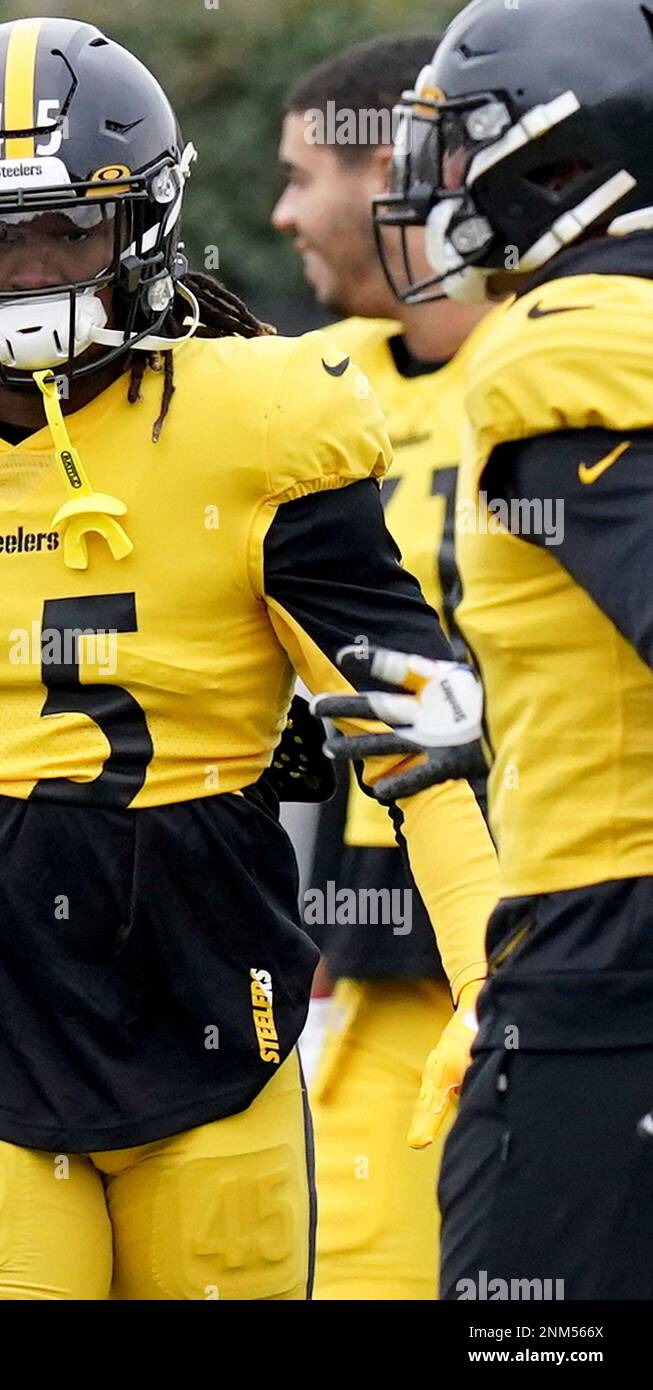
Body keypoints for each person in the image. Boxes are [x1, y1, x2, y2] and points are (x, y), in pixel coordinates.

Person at [0, 16, 495, 1301]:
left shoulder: (257, 416)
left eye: (69, 231)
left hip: (205, 1000)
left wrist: (482, 968)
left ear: (140, 226)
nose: (30, 270)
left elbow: (413, 724)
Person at [325, 0, 653, 1299]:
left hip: (603, 948)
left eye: (458, 146)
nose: (429, 184)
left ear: (556, 156)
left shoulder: (555, 347)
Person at [272, 34, 496, 1299]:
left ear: (390, 173)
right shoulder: (311, 387)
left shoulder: (569, 357)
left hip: (574, 926)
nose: (280, 213)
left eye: (301, 175)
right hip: (379, 948)